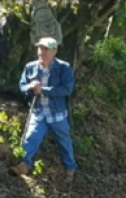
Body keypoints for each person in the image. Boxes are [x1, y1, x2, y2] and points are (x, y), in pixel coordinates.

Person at [10, 37, 76, 182]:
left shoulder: (64, 68)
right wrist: (30, 87)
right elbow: (22, 86)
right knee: (30, 139)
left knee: (65, 143)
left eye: (46, 49)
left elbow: (67, 89)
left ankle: (69, 169)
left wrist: (43, 90)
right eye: (40, 48)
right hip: (38, 113)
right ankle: (23, 166)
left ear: (54, 51)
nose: (42, 52)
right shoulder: (30, 67)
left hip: (57, 115)